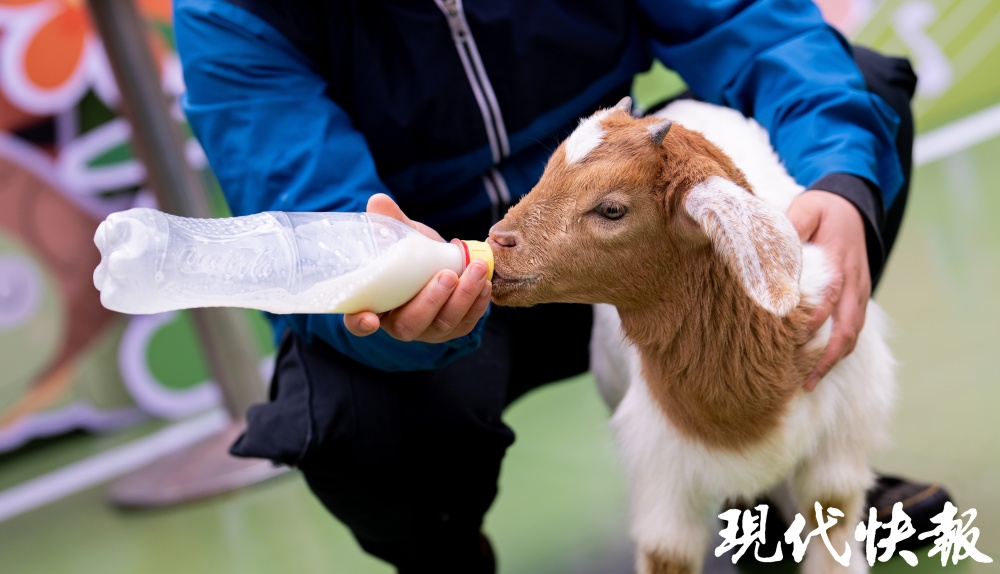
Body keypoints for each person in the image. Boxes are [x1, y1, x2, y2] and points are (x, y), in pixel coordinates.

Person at [172, 1, 951, 571]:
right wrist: (388, 290)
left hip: (625, 226)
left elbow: (756, 25)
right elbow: (313, 209)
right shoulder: (234, 12)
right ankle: (444, 554)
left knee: (860, 104)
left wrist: (842, 181)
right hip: (450, 269)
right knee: (351, 418)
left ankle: (790, 462)